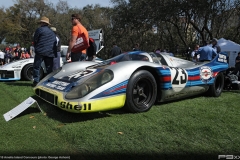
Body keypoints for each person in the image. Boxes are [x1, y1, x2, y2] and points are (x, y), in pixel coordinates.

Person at [32, 16, 57, 87]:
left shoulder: (39, 30)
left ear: (42, 23)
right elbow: (54, 42)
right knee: (49, 68)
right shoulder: (52, 32)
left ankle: (36, 81)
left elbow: (35, 39)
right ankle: (49, 81)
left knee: (37, 67)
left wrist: (36, 47)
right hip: (50, 52)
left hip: (40, 51)